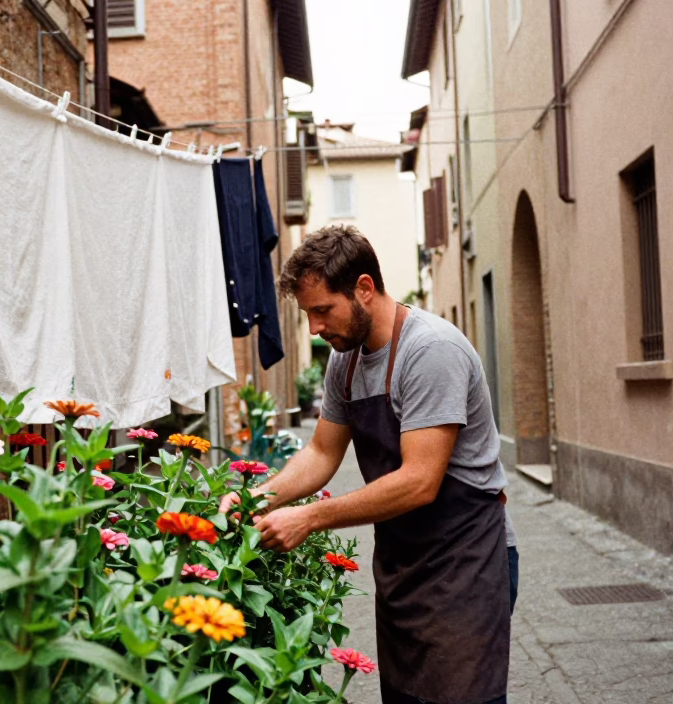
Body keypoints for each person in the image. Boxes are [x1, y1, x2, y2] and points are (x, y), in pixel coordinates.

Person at [219, 225, 517, 704]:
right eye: (307, 314)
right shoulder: (346, 360)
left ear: (363, 288)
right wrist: (253, 497)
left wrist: (310, 517)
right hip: (404, 564)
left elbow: (420, 481)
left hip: (467, 561)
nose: (314, 329)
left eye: (322, 310)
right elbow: (321, 452)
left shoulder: (430, 351)